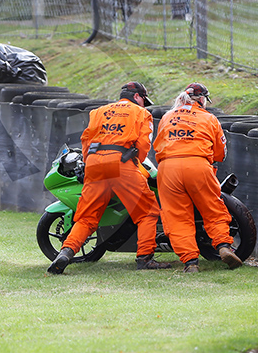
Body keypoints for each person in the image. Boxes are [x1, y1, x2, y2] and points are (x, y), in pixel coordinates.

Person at [47, 81, 171, 274]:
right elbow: (144, 145)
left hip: (95, 164)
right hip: (121, 164)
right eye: (143, 100)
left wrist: (90, 165)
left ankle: (65, 252)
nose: (144, 104)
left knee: (87, 218)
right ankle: (145, 258)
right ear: (137, 97)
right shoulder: (142, 113)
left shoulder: (98, 112)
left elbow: (86, 141)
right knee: (147, 212)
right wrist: (133, 165)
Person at [151, 82, 241, 273]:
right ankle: (223, 246)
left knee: (176, 216)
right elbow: (220, 153)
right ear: (202, 100)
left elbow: (157, 145)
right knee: (213, 209)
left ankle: (190, 261)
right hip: (198, 165)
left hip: (168, 168)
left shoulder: (167, 117)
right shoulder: (209, 118)